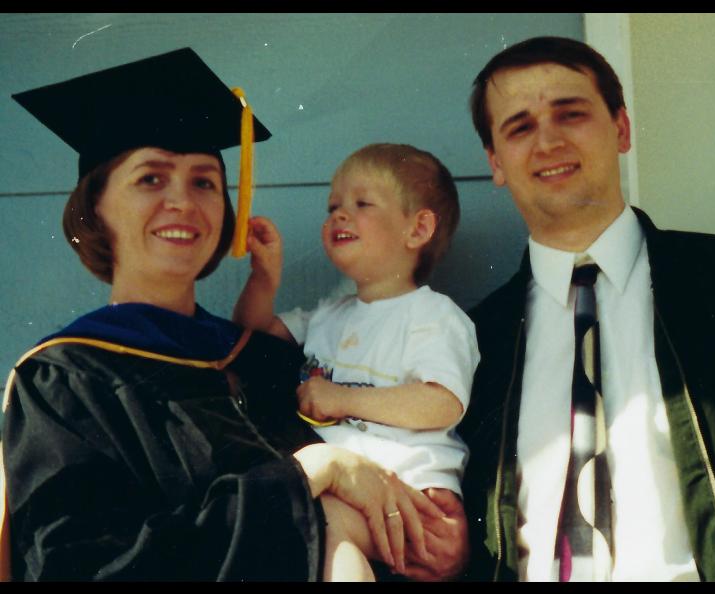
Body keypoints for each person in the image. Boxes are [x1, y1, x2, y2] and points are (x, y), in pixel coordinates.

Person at [0, 48, 461, 581]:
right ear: (95, 208)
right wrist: (308, 473)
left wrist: (428, 530)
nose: (184, 201)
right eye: (151, 179)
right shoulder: (66, 382)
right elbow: (78, 568)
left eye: (204, 182)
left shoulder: (265, 359)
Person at [454, 35, 715, 582]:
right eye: (520, 127)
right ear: (496, 162)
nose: (547, 141)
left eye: (570, 114)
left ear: (621, 129)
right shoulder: (473, 340)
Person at [232, 143, 480, 581]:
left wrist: (341, 398)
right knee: (313, 530)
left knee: (324, 532)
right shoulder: (330, 314)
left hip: (413, 493)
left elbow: (440, 402)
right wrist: (264, 277)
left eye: (362, 203)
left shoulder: (434, 316)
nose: (339, 216)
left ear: (418, 228)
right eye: (333, 206)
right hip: (349, 486)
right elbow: (252, 340)